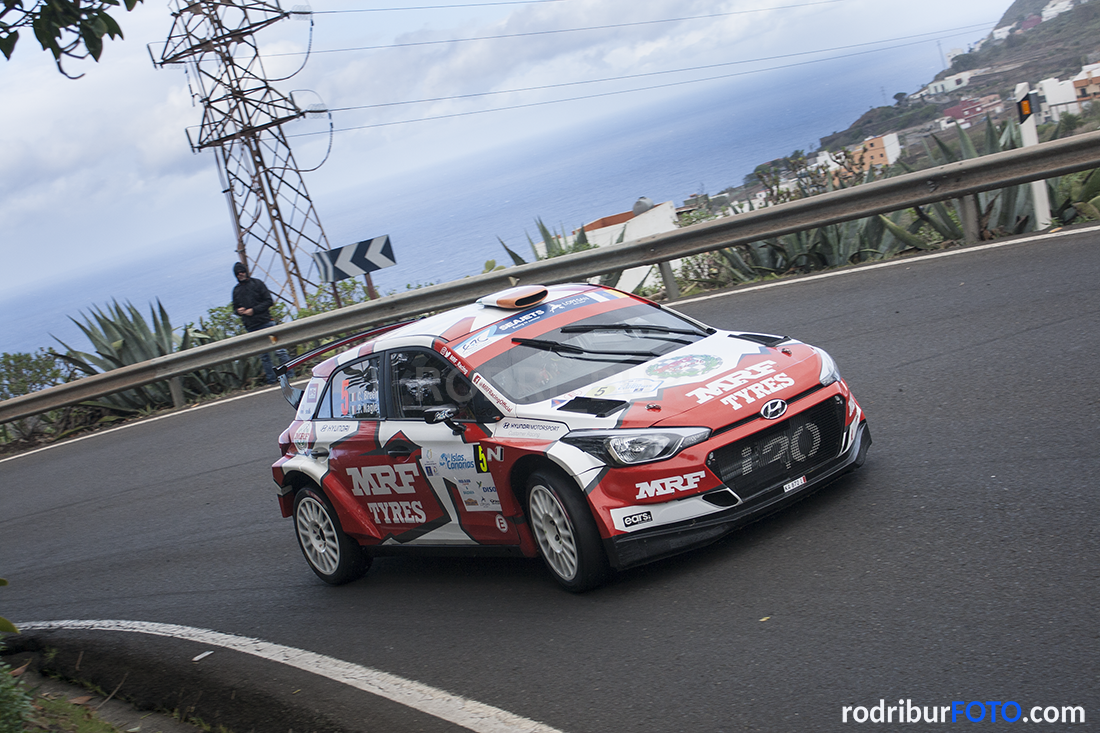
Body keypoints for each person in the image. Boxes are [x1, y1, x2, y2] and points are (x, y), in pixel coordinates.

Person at [232, 262, 289, 385]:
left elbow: (269, 301)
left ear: (246, 271)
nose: (240, 274)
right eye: (237, 273)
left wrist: (253, 310)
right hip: (252, 328)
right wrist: (239, 311)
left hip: (267, 324)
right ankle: (272, 380)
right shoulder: (236, 290)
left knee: (279, 350)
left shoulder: (257, 284)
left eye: (242, 271)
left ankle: (290, 375)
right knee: (264, 356)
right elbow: (235, 308)